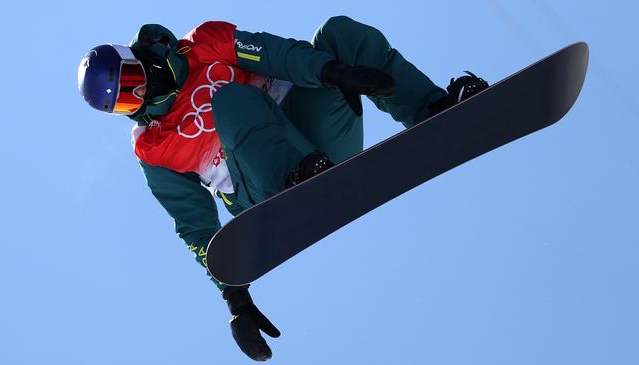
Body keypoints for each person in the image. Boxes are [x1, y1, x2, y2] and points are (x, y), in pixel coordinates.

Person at [77, 15, 488, 361]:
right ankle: (297, 178)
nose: (141, 95)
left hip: (317, 143)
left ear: (139, 58)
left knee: (339, 34)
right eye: (127, 102)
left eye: (132, 80)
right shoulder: (152, 146)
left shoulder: (205, 43)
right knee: (232, 102)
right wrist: (234, 296)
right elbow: (193, 225)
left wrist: (336, 71)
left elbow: (278, 54)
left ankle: (434, 109)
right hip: (267, 188)